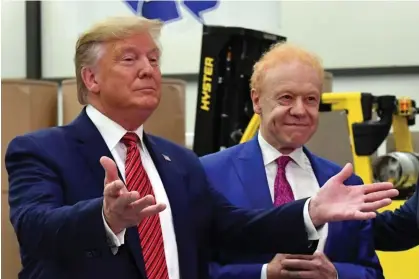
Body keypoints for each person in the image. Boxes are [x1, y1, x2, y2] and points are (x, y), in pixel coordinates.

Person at [5, 16, 398, 279]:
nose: (149, 69)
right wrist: (105, 218)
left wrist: (309, 211)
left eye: (155, 59)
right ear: (90, 78)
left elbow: (234, 229)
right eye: (130, 58)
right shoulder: (41, 150)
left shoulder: (178, 163)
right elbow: (36, 229)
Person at [200, 43, 385, 279]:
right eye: (286, 98)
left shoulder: (345, 184)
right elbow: (188, 267)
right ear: (257, 101)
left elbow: (372, 273)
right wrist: (264, 273)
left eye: (310, 99)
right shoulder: (208, 174)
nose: (300, 110)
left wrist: (335, 274)